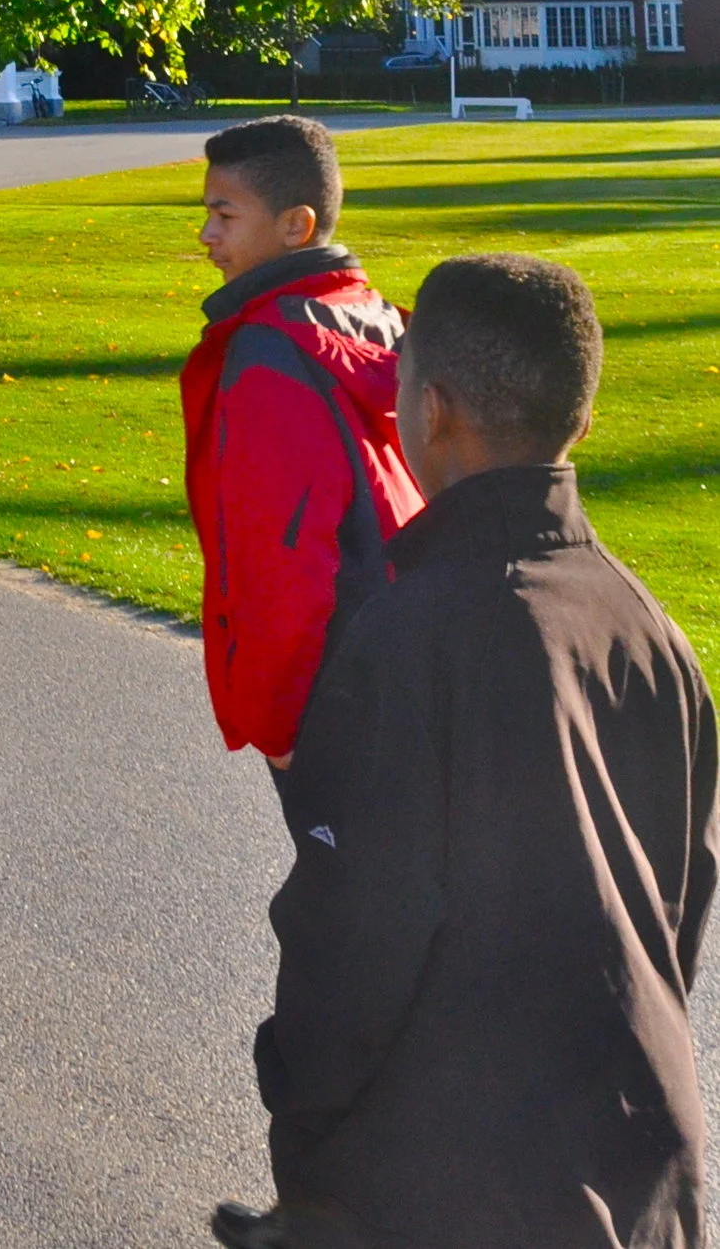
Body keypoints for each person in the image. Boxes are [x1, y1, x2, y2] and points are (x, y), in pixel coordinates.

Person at [221, 254, 717, 1249]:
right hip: (637, 1157)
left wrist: (296, 1094)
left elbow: (355, 927)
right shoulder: (652, 636)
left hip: (444, 1185)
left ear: (430, 408)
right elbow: (678, 906)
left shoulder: (408, 639)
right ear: (581, 420)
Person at [179, 115, 421, 787]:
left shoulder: (269, 354)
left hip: (334, 698)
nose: (206, 234)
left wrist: (277, 723)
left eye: (225, 215)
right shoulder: (370, 312)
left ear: (296, 226)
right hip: (404, 663)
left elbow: (282, 560)